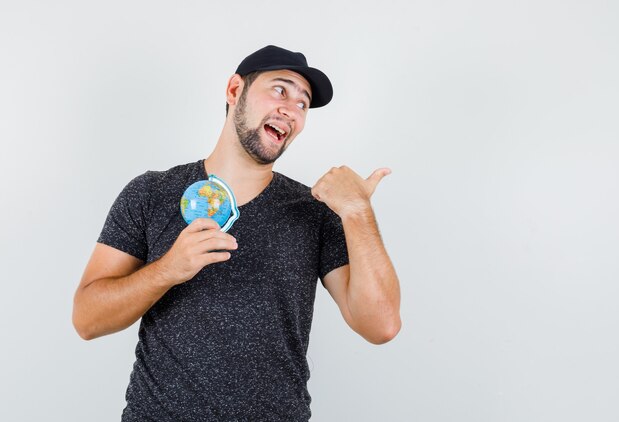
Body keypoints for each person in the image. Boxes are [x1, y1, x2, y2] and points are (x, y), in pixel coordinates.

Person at [72, 45, 401, 421]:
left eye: (303, 104)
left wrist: (358, 211)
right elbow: (87, 319)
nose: (291, 109)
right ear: (234, 91)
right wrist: (168, 270)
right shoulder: (151, 193)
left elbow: (382, 326)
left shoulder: (314, 211)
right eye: (280, 90)